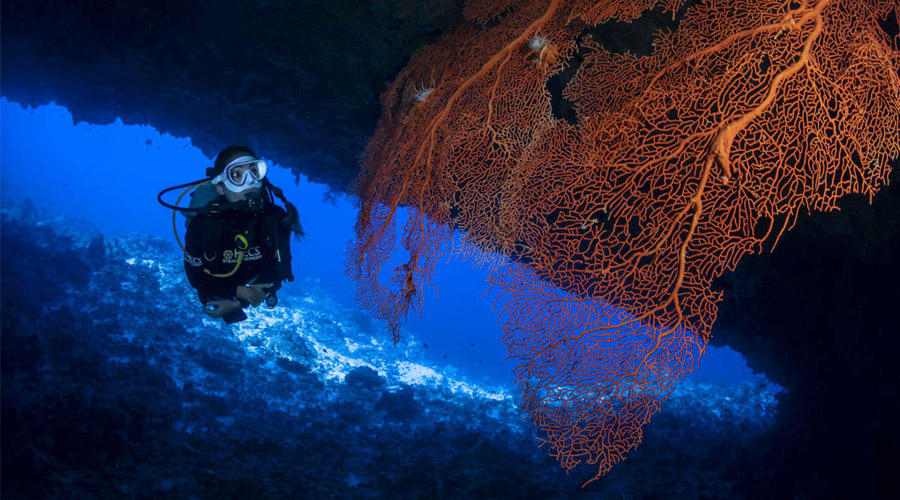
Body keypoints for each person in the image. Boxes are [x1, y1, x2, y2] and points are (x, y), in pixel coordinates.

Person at [180, 146, 303, 323]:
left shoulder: (275, 217)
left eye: (254, 171)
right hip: (218, 290)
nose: (250, 180)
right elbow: (196, 277)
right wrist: (241, 293)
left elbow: (280, 269)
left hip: (252, 288)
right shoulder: (203, 223)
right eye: (237, 175)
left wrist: (241, 301)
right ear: (220, 187)